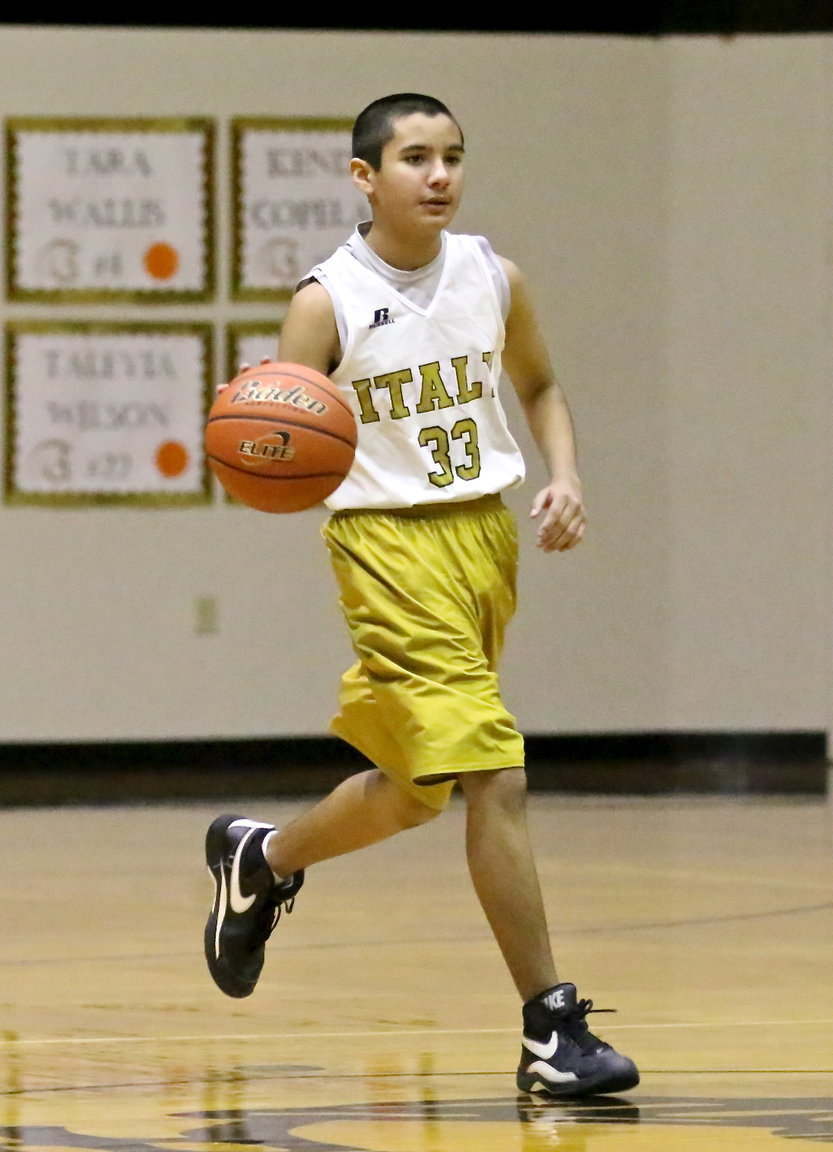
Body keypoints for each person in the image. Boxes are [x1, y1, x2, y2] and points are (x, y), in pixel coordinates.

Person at [203, 93, 639, 1099]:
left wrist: (560, 472)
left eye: (451, 157)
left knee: (418, 789)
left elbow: (536, 385)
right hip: (385, 544)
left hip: (480, 538)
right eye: (413, 158)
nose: (437, 175)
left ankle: (261, 859)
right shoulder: (328, 299)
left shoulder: (492, 274)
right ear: (365, 177)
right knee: (495, 772)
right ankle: (550, 1030)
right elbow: (278, 421)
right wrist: (255, 412)